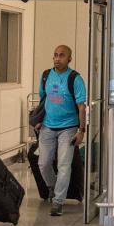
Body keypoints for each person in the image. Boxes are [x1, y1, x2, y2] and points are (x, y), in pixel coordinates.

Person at [35, 45, 87, 217]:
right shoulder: (45, 76)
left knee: (63, 165)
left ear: (69, 59)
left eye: (62, 56)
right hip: (47, 127)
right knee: (43, 163)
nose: (58, 58)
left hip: (69, 128)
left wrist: (81, 131)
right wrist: (39, 120)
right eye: (55, 55)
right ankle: (53, 187)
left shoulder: (75, 79)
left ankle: (58, 201)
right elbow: (43, 99)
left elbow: (81, 107)